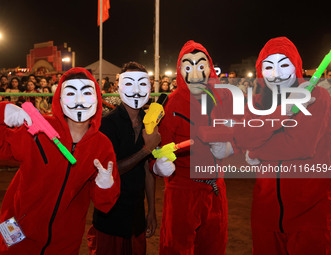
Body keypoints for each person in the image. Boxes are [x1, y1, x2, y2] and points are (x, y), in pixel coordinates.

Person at [0, 67, 120, 255]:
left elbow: (105, 204)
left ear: (97, 99)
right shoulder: (38, 129)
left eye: (87, 93)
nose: (79, 101)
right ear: (60, 99)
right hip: (17, 229)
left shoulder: (102, 146)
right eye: (71, 93)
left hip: (64, 241)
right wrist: (2, 112)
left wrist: (106, 186)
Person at [234, 37, 331, 255]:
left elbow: (300, 145)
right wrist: (283, 111)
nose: (277, 74)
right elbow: (243, 136)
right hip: (266, 214)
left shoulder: (318, 96)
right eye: (268, 66)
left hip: (310, 214)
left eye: (284, 65)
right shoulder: (257, 102)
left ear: (296, 67)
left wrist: (256, 151)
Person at [153, 40, 234, 255]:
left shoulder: (223, 98)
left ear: (210, 68)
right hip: (182, 190)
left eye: (201, 66)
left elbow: (238, 136)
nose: (196, 74)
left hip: (216, 188)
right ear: (180, 70)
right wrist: (159, 165)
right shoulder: (170, 104)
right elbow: (157, 148)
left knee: (214, 245)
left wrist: (227, 147)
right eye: (188, 67)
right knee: (176, 246)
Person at [88, 62, 160, 255]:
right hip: (110, 216)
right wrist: (146, 149)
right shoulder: (107, 124)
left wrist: (151, 210)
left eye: (142, 84)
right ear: (118, 87)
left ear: (150, 87)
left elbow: (147, 170)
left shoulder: (149, 122)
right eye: (129, 84)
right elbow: (111, 170)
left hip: (135, 216)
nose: (136, 90)